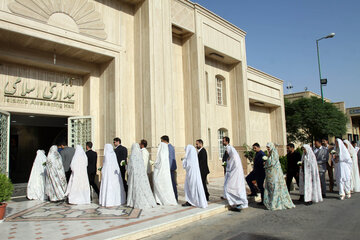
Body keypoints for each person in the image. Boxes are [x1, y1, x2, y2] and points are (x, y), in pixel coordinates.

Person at [264, 142, 295, 211]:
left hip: (275, 174)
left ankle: (276, 203)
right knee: (271, 188)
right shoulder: (270, 154)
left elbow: (272, 163)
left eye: (269, 147)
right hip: (270, 175)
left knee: (275, 188)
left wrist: (266, 162)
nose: (268, 149)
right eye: (267, 147)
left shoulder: (274, 153)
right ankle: (271, 202)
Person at [126, 143, 156, 209]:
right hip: (141, 175)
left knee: (134, 188)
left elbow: (130, 167)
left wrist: (127, 168)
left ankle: (133, 202)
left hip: (134, 176)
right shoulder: (140, 155)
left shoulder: (132, 156)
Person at [223, 138, 248, 211]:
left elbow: (232, 165)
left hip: (235, 174)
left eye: (224, 141)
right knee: (232, 188)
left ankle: (239, 202)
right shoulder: (231, 156)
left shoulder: (233, 157)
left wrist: (228, 168)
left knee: (230, 187)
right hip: (233, 174)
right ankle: (236, 203)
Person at [161, 135, 178, 201]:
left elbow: (170, 158)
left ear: (164, 141)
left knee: (172, 183)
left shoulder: (169, 147)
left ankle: (174, 198)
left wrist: (168, 168)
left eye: (161, 141)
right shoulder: (169, 147)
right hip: (170, 168)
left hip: (170, 168)